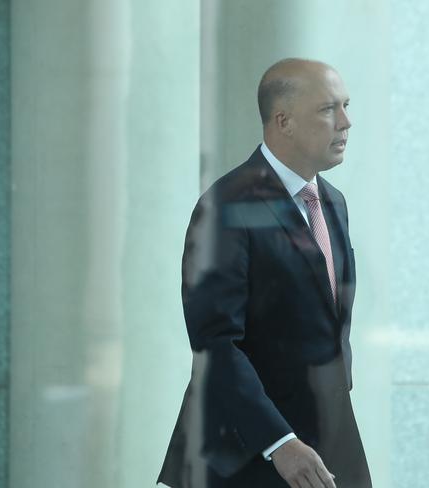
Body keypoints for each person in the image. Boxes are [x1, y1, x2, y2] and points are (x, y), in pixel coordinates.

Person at [158, 58, 371, 488]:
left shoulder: (333, 203)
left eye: (346, 105)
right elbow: (216, 343)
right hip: (246, 454)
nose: (346, 122)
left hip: (329, 443)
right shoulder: (225, 208)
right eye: (329, 109)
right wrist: (280, 441)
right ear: (283, 121)